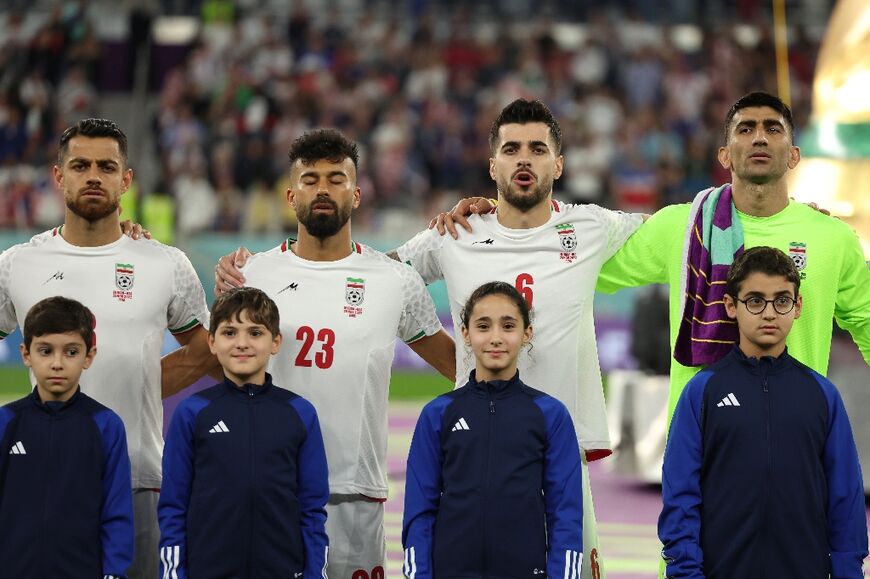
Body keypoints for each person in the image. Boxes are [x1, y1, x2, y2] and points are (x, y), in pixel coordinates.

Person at [216, 101, 640, 579]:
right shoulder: (453, 235)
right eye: (512, 148)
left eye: (538, 149)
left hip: (563, 444)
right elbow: (377, 270)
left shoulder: (593, 225)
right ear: (491, 165)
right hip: (460, 445)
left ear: (559, 164)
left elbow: (671, 233)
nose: (525, 159)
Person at [205, 128, 456, 579]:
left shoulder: (394, 280)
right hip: (268, 486)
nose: (323, 188)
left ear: (357, 194)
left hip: (356, 494)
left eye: (336, 178)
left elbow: (456, 366)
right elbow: (217, 363)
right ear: (290, 194)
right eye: (311, 179)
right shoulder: (252, 274)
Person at [0, 118, 214, 578]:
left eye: (106, 166)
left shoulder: (165, 263)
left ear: (127, 179)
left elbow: (207, 352)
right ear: (59, 177)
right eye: (79, 165)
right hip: (41, 474)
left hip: (138, 478)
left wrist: (138, 383)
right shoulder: (18, 264)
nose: (93, 175)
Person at [596, 91, 870, 423]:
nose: (759, 137)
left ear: (795, 155)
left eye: (773, 129)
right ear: (724, 156)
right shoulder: (682, 228)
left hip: (797, 441)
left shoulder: (833, 237)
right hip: (702, 446)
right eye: (745, 129)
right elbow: (586, 269)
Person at [659, 246, 868, 577]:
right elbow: (681, 492)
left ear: (797, 307)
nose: (769, 313)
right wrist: (685, 571)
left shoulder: (822, 394)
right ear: (731, 306)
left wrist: (848, 571)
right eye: (755, 300)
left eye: (781, 300)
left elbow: (845, 494)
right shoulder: (703, 391)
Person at [402, 282, 584, 579]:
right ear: (465, 334)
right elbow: (419, 511)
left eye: (508, 326)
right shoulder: (438, 414)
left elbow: (566, 513)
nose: (496, 338)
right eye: (483, 326)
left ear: (527, 333)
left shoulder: (551, 415)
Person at [158, 287, 329, 578]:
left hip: (281, 569)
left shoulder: (300, 413)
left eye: (255, 333)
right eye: (229, 333)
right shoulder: (192, 412)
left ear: (275, 342)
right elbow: (174, 506)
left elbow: (312, 508)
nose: (242, 343)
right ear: (211, 342)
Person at [0, 296, 134, 578]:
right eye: (45, 351)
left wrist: (114, 573)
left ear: (89, 356)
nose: (57, 363)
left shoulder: (106, 425)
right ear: (26, 354)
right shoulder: (6, 422)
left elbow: (117, 512)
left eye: (71, 352)